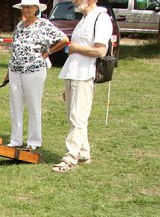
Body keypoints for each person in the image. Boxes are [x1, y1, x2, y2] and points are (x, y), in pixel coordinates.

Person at [52, 0, 112, 172]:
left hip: (86, 73)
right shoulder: (84, 18)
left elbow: (101, 50)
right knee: (75, 115)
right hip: (73, 72)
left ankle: (70, 157)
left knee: (77, 116)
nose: (74, 1)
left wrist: (75, 48)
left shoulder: (101, 18)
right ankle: (83, 152)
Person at [5, 0, 68, 152]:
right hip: (15, 70)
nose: (25, 10)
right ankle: (16, 139)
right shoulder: (19, 26)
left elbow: (64, 40)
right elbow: (15, 49)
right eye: (23, 7)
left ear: (36, 9)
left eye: (28, 7)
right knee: (15, 105)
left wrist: (47, 53)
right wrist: (8, 72)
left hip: (34, 70)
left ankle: (34, 140)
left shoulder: (44, 24)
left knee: (33, 105)